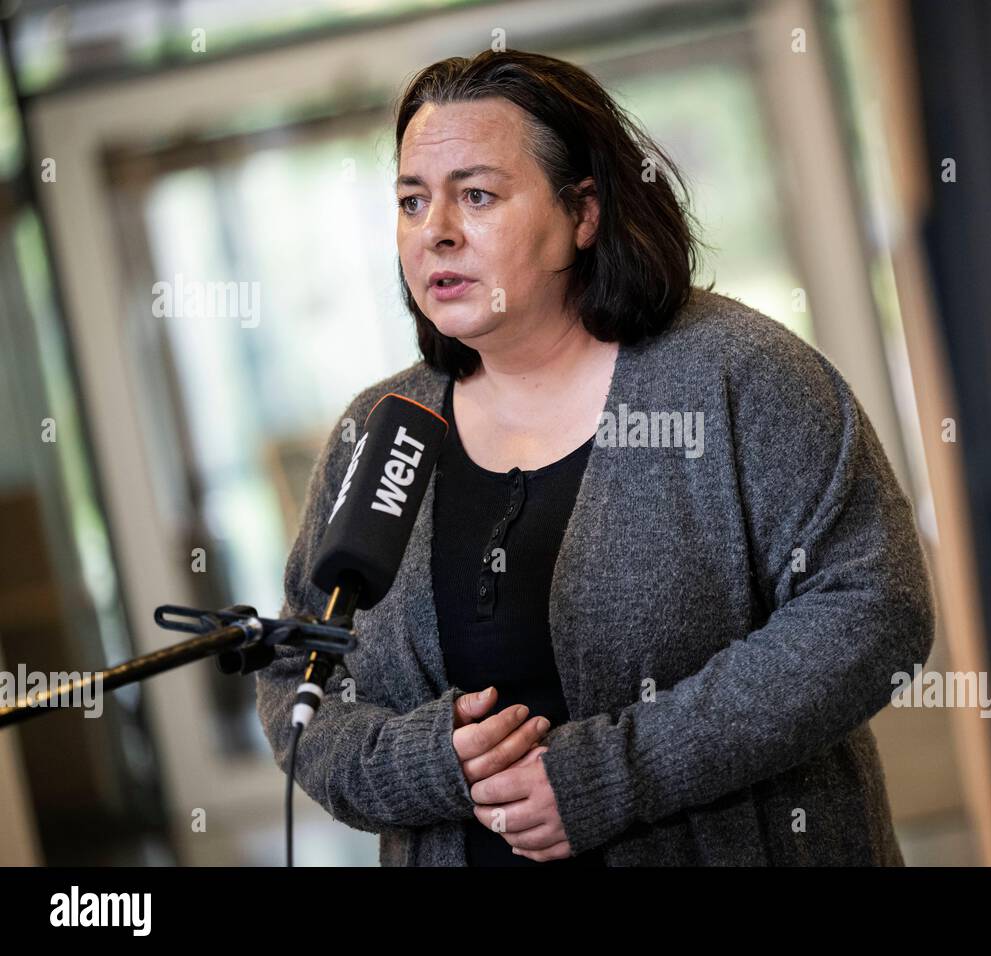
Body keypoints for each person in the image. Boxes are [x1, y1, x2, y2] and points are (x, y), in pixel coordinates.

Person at [256, 49, 935, 866]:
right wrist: (426, 763)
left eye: (477, 195)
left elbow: (875, 610)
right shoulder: (380, 428)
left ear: (583, 213)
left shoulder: (738, 376)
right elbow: (301, 673)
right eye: (411, 201)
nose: (435, 231)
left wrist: (618, 772)